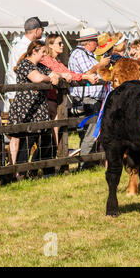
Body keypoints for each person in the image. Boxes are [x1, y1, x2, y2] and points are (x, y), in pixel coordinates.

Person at [7, 40, 60, 178]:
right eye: (42, 52)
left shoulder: (40, 66)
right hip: (25, 109)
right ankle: (20, 174)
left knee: (46, 140)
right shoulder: (25, 64)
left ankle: (45, 171)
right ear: (34, 51)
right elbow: (36, 78)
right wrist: (49, 78)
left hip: (40, 110)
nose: (44, 55)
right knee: (26, 142)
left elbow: (55, 73)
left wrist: (54, 76)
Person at [41, 34, 99, 148]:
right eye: (59, 43)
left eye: (62, 43)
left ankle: (56, 156)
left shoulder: (56, 61)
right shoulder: (46, 60)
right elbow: (63, 74)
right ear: (51, 45)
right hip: (49, 99)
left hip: (56, 99)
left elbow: (70, 74)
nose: (62, 45)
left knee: (57, 128)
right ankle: (54, 157)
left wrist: (84, 77)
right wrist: (85, 77)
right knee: (53, 130)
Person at [5, 17, 48, 169]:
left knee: (26, 136)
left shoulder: (22, 45)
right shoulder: (24, 48)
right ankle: (15, 169)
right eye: (41, 29)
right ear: (36, 30)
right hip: (21, 97)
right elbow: (32, 74)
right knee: (18, 137)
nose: (43, 32)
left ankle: (21, 169)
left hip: (24, 96)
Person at [68, 28, 110, 167]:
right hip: (86, 98)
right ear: (89, 42)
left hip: (92, 97)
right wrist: (100, 65)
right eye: (95, 41)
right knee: (92, 130)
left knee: (90, 130)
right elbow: (86, 73)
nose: (97, 44)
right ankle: (84, 163)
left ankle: (88, 162)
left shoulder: (87, 54)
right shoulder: (79, 54)